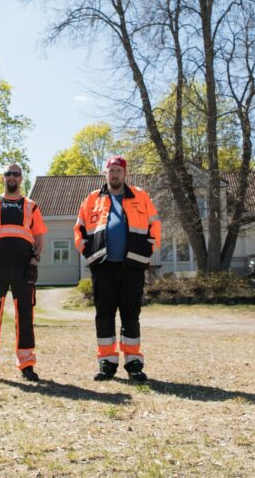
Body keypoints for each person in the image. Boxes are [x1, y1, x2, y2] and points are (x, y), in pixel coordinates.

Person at [74, 155, 161, 382]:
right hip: (103, 267)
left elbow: (155, 227)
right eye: (111, 171)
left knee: (131, 314)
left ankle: (133, 362)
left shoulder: (140, 197)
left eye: (118, 171)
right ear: (106, 174)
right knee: (104, 315)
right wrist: (90, 255)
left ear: (125, 174)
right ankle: (107, 362)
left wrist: (146, 252)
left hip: (132, 266)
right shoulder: (92, 199)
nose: (114, 175)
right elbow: (79, 231)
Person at [0, 163, 47, 382]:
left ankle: (27, 365)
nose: (12, 177)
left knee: (25, 317)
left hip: (23, 271)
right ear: (3, 178)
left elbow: (40, 238)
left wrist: (34, 260)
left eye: (16, 174)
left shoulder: (31, 206)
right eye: (8, 174)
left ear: (21, 178)